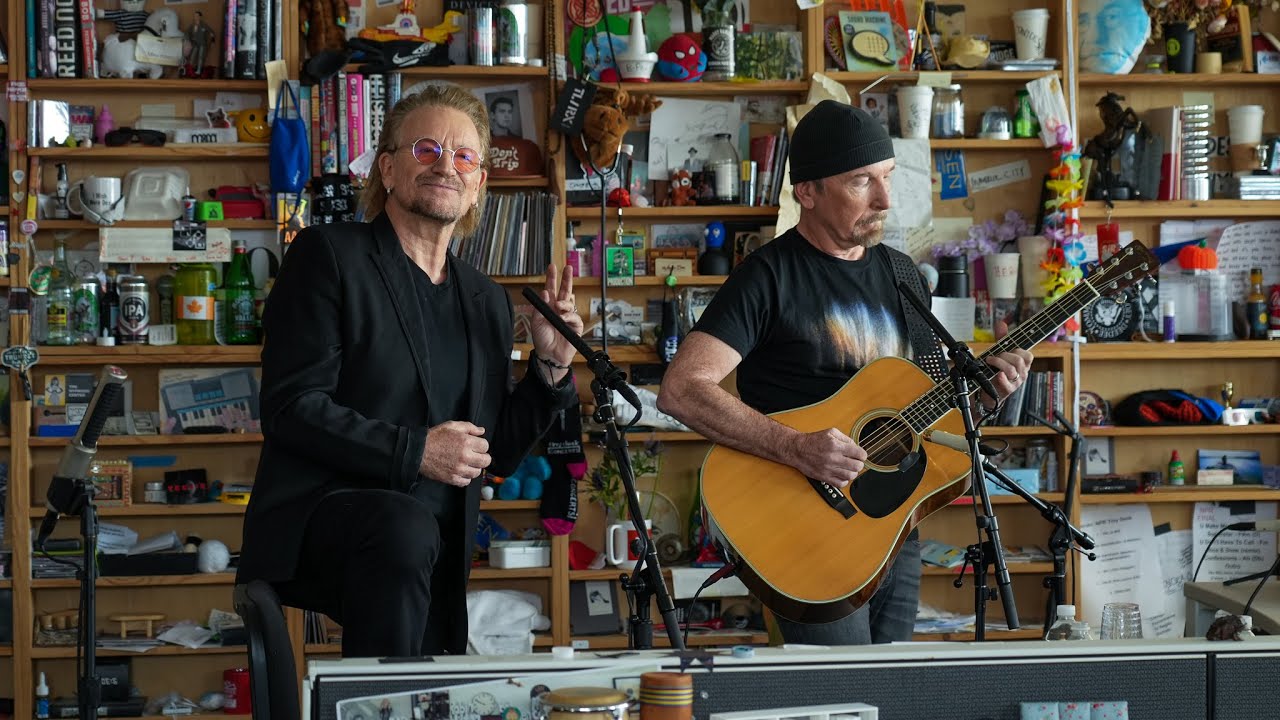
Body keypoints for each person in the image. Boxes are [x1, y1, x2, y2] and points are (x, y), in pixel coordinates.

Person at [657, 100, 1032, 645]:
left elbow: (926, 408)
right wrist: (795, 447)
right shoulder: (766, 278)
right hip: (803, 529)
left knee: (894, 696)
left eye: (887, 178)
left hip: (892, 523)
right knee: (839, 695)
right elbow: (682, 389)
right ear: (806, 192)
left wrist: (984, 396)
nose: (883, 200)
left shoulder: (903, 274)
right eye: (861, 183)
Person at [236, 83, 583, 658]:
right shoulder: (327, 256)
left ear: (478, 188)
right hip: (322, 519)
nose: (446, 165)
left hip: (432, 542)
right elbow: (292, 408)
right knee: (404, 527)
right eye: (426, 149)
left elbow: (491, 452)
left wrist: (550, 363)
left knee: (419, 550)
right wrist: (416, 451)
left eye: (464, 157)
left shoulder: (486, 300)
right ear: (389, 169)